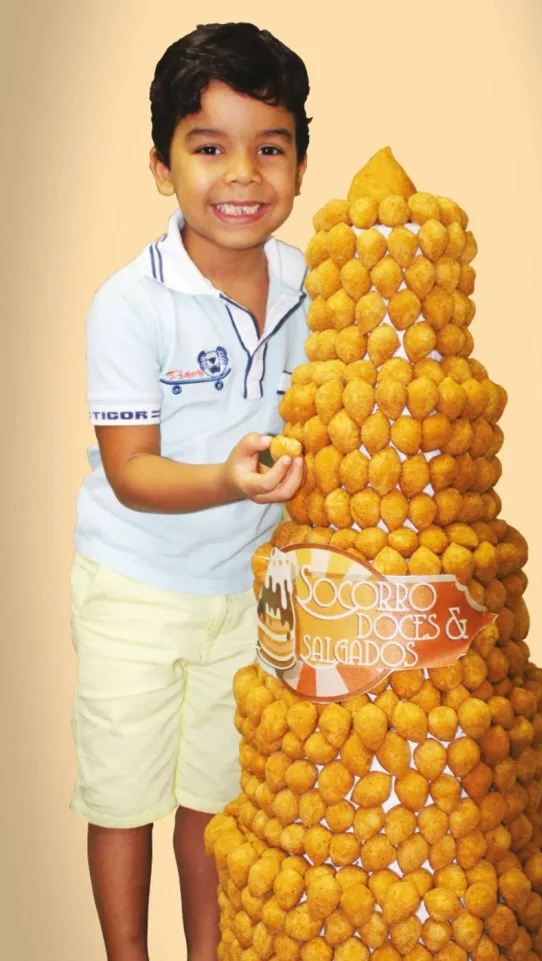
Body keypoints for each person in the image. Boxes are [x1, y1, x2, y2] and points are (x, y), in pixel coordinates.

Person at [70, 21, 311, 961]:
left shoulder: (309, 286)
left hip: (249, 596)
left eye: (270, 148)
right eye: (208, 148)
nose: (242, 174)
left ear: (298, 164)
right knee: (125, 797)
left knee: (218, 805)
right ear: (163, 167)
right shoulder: (130, 303)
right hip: (136, 588)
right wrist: (225, 476)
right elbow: (130, 472)